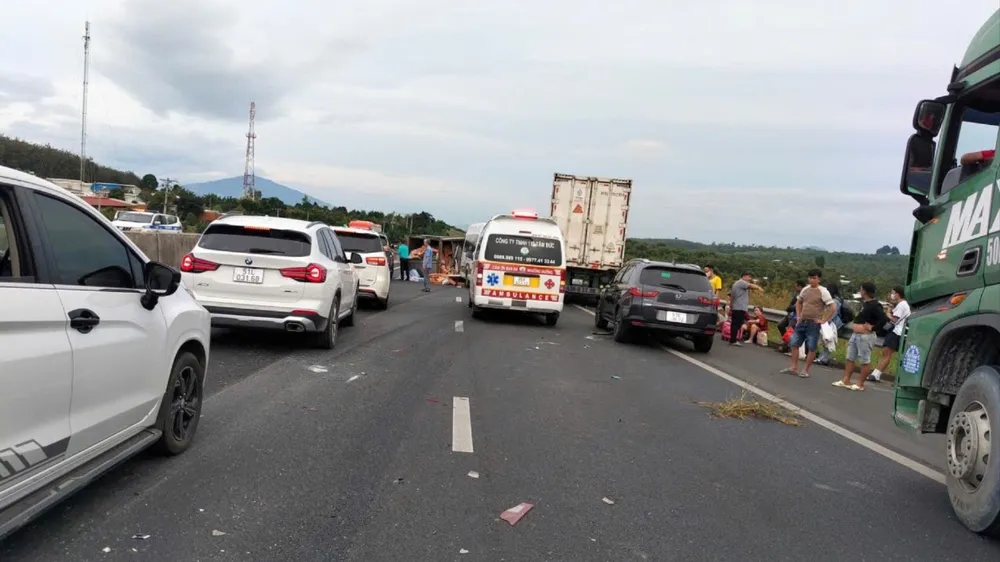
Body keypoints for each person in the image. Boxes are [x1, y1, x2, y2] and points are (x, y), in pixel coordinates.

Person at [781, 269, 836, 378]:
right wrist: (798, 316)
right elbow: (798, 302)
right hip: (802, 320)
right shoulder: (805, 289)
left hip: (813, 323)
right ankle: (793, 367)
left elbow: (832, 307)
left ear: (819, 279)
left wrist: (823, 320)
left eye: (814, 278)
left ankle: (805, 370)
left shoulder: (823, 291)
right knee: (794, 343)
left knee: (811, 346)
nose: (811, 280)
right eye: (810, 278)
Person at [834, 282, 886, 391]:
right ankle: (846, 379)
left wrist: (873, 328)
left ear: (864, 291)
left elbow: (883, 320)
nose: (860, 291)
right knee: (850, 357)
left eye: (861, 289)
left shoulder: (876, 305)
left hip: (865, 336)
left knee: (864, 360)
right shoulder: (865, 303)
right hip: (856, 334)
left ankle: (860, 384)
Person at [869, 286, 910, 382]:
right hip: (898, 332)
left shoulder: (902, 304)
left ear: (897, 294)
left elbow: (894, 319)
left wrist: (887, 312)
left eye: (893, 293)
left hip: (897, 332)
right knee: (886, 353)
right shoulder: (902, 304)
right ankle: (876, 373)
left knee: (886, 353)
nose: (892, 295)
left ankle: (876, 374)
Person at [727, 272, 763, 347]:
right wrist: (758, 287)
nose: (749, 279)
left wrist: (731, 306)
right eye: (749, 277)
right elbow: (751, 286)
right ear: (744, 276)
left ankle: (733, 339)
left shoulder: (736, 283)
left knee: (735, 324)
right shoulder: (741, 282)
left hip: (736, 306)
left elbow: (732, 296)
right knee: (736, 324)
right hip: (739, 307)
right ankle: (733, 340)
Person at [815, 283, 844, 366]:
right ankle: (821, 357)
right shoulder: (832, 300)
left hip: (832, 324)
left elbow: (832, 315)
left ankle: (824, 358)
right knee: (825, 341)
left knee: (828, 341)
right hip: (827, 323)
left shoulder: (835, 301)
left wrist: (823, 320)